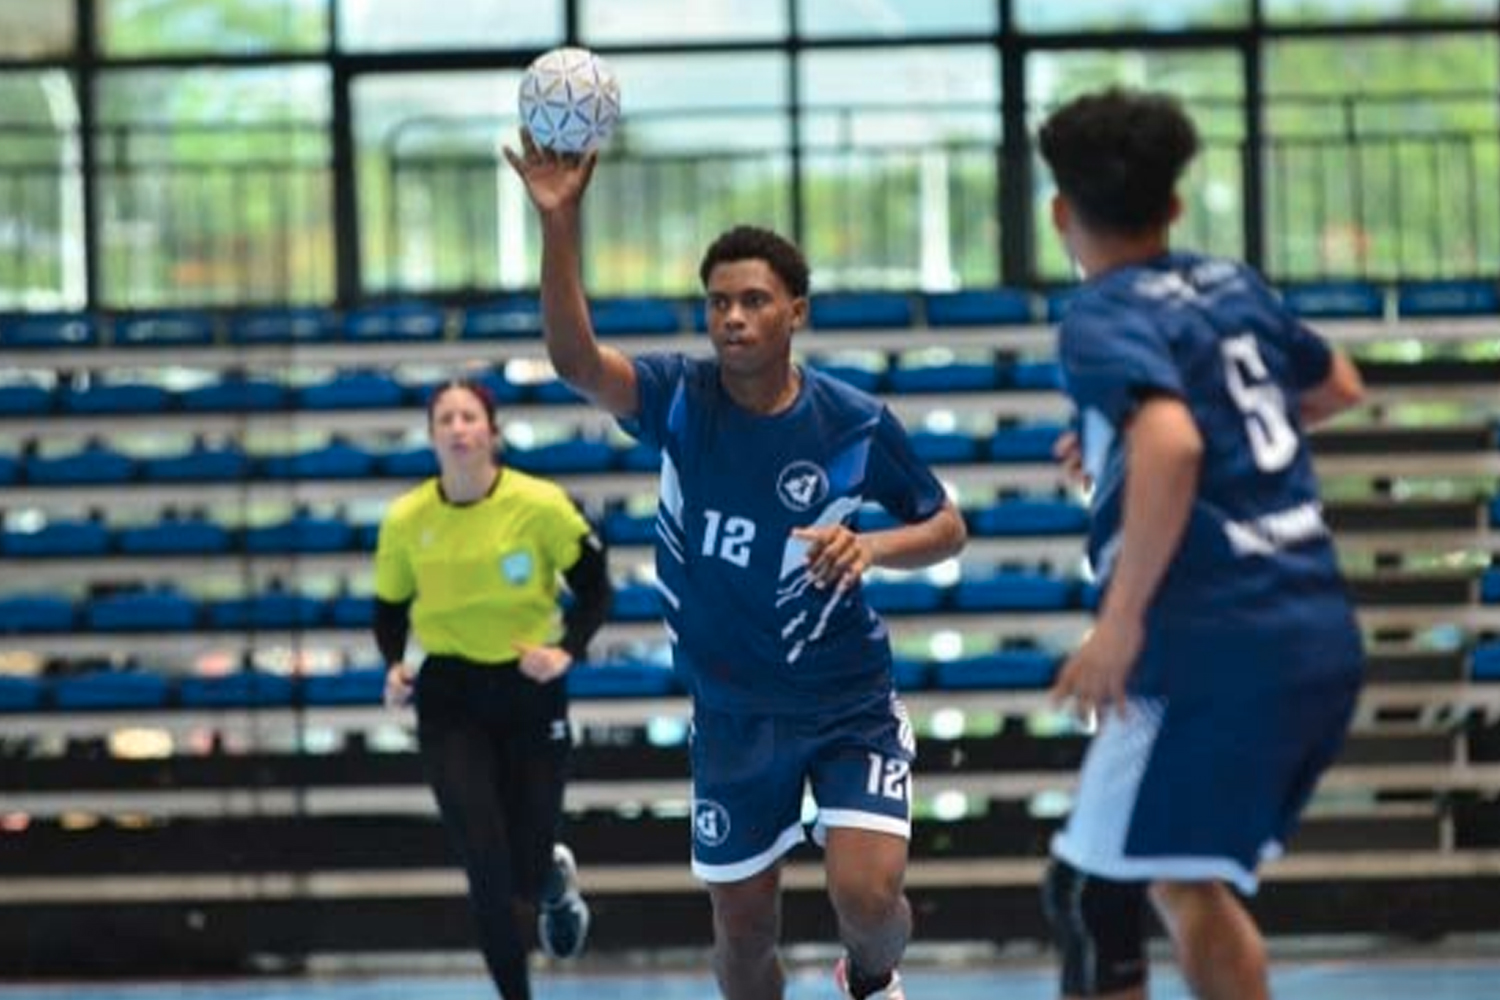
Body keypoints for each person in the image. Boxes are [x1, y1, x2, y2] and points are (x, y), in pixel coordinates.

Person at [504, 132, 968, 1000]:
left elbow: (948, 526)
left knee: (868, 901)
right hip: (732, 713)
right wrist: (559, 222)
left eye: (754, 301)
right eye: (718, 303)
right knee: (744, 931)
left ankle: (870, 975)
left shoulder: (853, 424)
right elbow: (574, 363)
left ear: (796, 310)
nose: (733, 318)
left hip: (846, 700)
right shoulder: (682, 399)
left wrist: (872, 547)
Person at [1035, 88, 1368, 1000]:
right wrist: (1132, 450)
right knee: (1185, 880)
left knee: (1092, 893)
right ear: (1175, 206)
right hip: (1316, 637)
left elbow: (1173, 441)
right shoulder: (1231, 284)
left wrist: (1119, 626)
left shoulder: (1100, 313)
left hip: (1206, 649)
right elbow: (1337, 384)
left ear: (1061, 213)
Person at [374, 377, 613, 1000]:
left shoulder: (539, 504)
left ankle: (553, 884)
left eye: (469, 417)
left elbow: (596, 587)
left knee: (525, 870)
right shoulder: (405, 520)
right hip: (450, 695)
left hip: (528, 689)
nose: (457, 428)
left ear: (492, 431)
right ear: (430, 436)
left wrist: (565, 651)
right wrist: (395, 663)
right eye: (445, 419)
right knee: (484, 861)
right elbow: (389, 609)